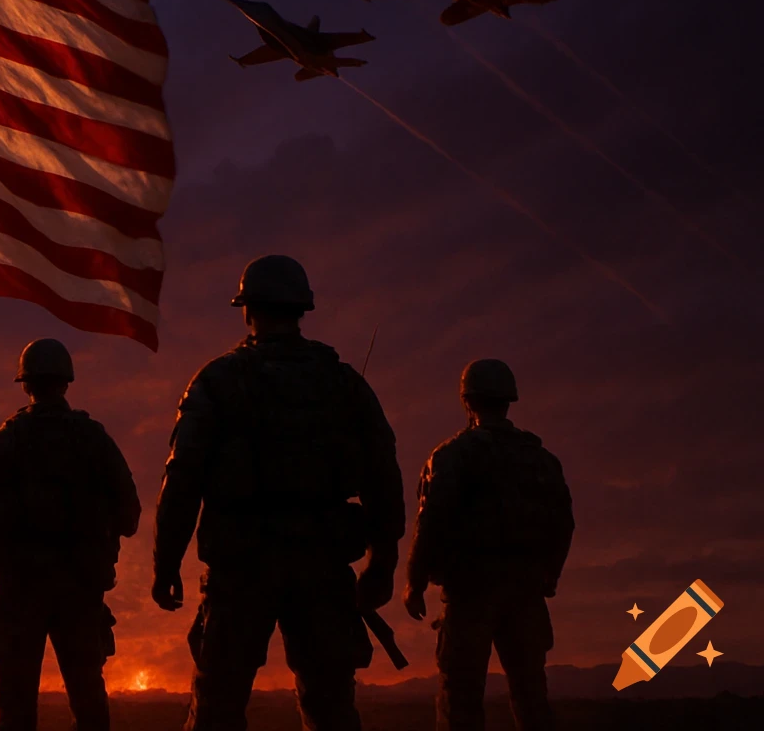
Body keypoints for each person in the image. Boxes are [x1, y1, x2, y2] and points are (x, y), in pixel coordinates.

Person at [152, 255, 405, 731]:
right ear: (300, 308)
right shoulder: (346, 385)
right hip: (323, 566)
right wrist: (383, 561)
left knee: (217, 706)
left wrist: (166, 564)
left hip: (241, 566)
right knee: (330, 707)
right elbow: (383, 476)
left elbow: (183, 477)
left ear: (248, 310)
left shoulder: (217, 381)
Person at [0, 338, 141, 731]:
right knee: (88, 700)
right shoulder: (94, 439)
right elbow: (130, 516)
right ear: (66, 381)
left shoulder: (6, 440)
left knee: (14, 707)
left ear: (25, 384)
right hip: (79, 589)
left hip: (18, 590)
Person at [403, 359, 574, 731]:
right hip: (526, 593)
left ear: (468, 401)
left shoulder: (451, 456)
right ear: (508, 400)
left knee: (460, 698)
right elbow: (564, 523)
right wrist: (549, 576)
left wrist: (414, 584)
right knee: (531, 697)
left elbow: (430, 523)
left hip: (469, 594)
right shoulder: (541, 459)